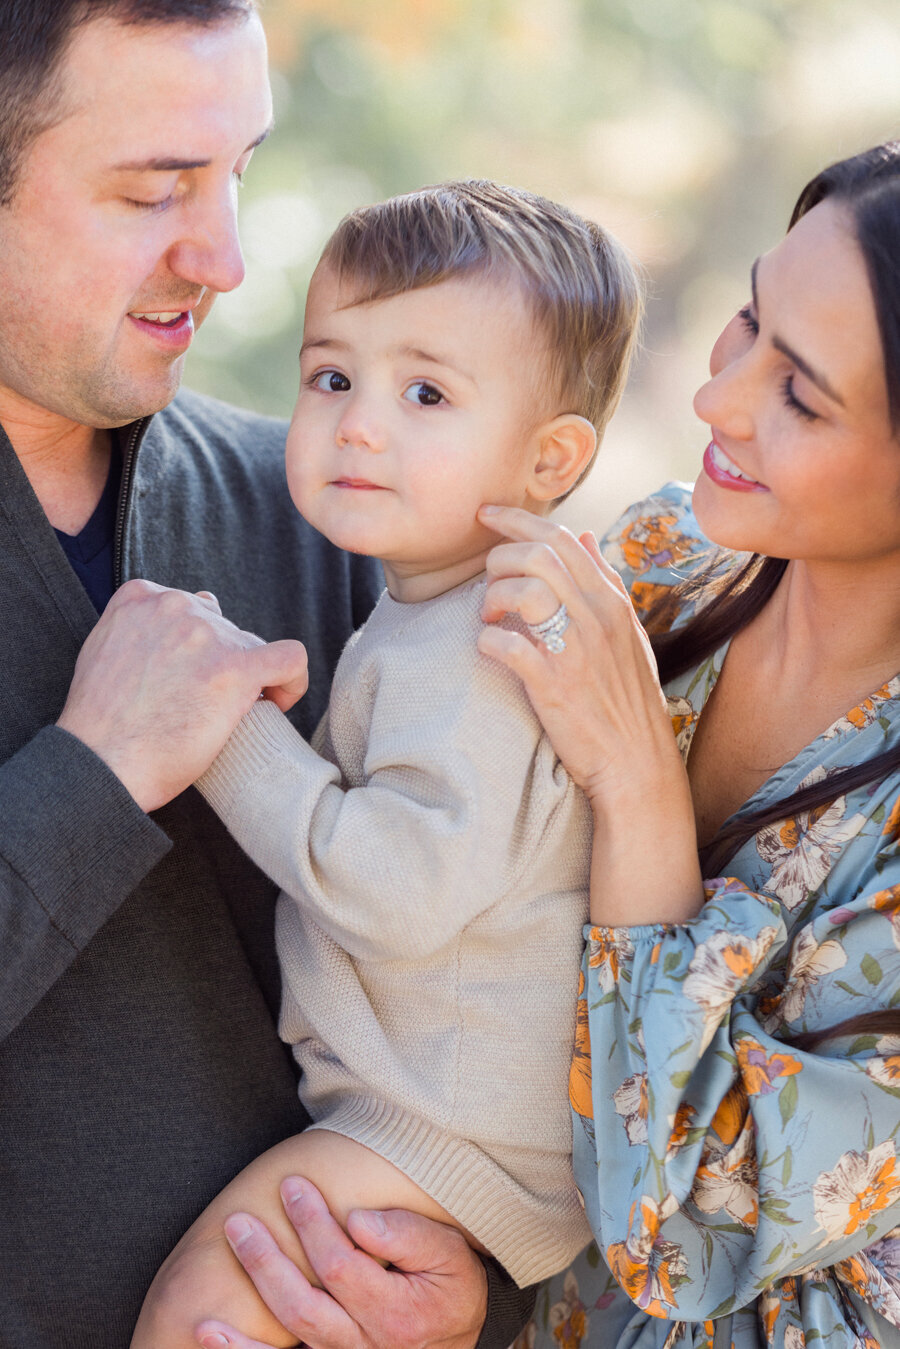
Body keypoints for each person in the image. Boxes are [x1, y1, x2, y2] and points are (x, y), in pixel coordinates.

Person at [0, 2, 536, 1346]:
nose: (227, 258)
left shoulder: (348, 525)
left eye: (236, 170)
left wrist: (473, 1280)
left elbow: (515, 963)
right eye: (154, 188)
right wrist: (95, 773)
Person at [130, 179, 642, 1349]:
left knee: (199, 1310)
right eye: (332, 377)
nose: (360, 422)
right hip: (427, 1110)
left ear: (551, 457)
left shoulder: (478, 647)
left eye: (425, 392)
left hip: (444, 1131)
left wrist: (218, 726)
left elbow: (398, 888)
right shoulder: (429, 604)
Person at [471, 141, 900, 1347]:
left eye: (800, 394)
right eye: (750, 319)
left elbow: (681, 1228)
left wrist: (637, 788)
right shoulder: (668, 567)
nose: (718, 399)